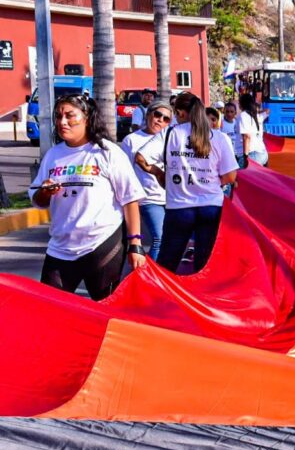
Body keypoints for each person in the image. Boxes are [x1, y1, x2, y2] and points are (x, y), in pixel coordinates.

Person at [31, 94, 147, 300]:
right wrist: (45, 192)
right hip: (60, 249)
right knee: (47, 311)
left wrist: (135, 244)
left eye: (70, 115)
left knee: (105, 313)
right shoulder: (53, 155)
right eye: (58, 116)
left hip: (102, 246)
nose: (62, 122)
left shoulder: (107, 152)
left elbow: (130, 199)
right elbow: (38, 200)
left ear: (87, 117)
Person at [155, 93, 239, 272]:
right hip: (211, 206)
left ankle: (160, 297)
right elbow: (231, 176)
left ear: (181, 113)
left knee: (167, 263)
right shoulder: (219, 137)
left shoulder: (170, 133)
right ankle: (201, 298)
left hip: (178, 206)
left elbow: (141, 158)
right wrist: (212, 182)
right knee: (205, 264)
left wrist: (162, 176)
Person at [121, 101, 173, 261]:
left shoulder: (170, 138)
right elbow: (124, 173)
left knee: (170, 240)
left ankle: (159, 275)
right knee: (160, 238)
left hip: (170, 198)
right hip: (147, 199)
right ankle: (149, 277)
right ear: (148, 114)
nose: (160, 120)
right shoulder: (131, 140)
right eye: (157, 115)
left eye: (166, 119)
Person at [238, 93, 268, 167]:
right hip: (263, 153)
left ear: (242, 103)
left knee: (239, 177)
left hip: (252, 154)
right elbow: (268, 111)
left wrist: (245, 157)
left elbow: (246, 136)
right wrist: (257, 111)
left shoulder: (243, 115)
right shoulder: (257, 116)